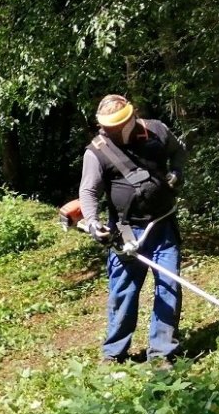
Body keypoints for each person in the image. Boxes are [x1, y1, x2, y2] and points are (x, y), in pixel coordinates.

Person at [78, 94, 187, 366]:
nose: (109, 132)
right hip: (126, 233)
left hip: (162, 227)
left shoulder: (158, 131)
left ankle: (161, 352)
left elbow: (179, 152)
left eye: (116, 127)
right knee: (123, 291)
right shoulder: (97, 151)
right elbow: (89, 191)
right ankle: (114, 352)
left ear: (131, 117)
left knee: (169, 287)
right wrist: (92, 222)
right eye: (106, 127)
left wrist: (177, 172)